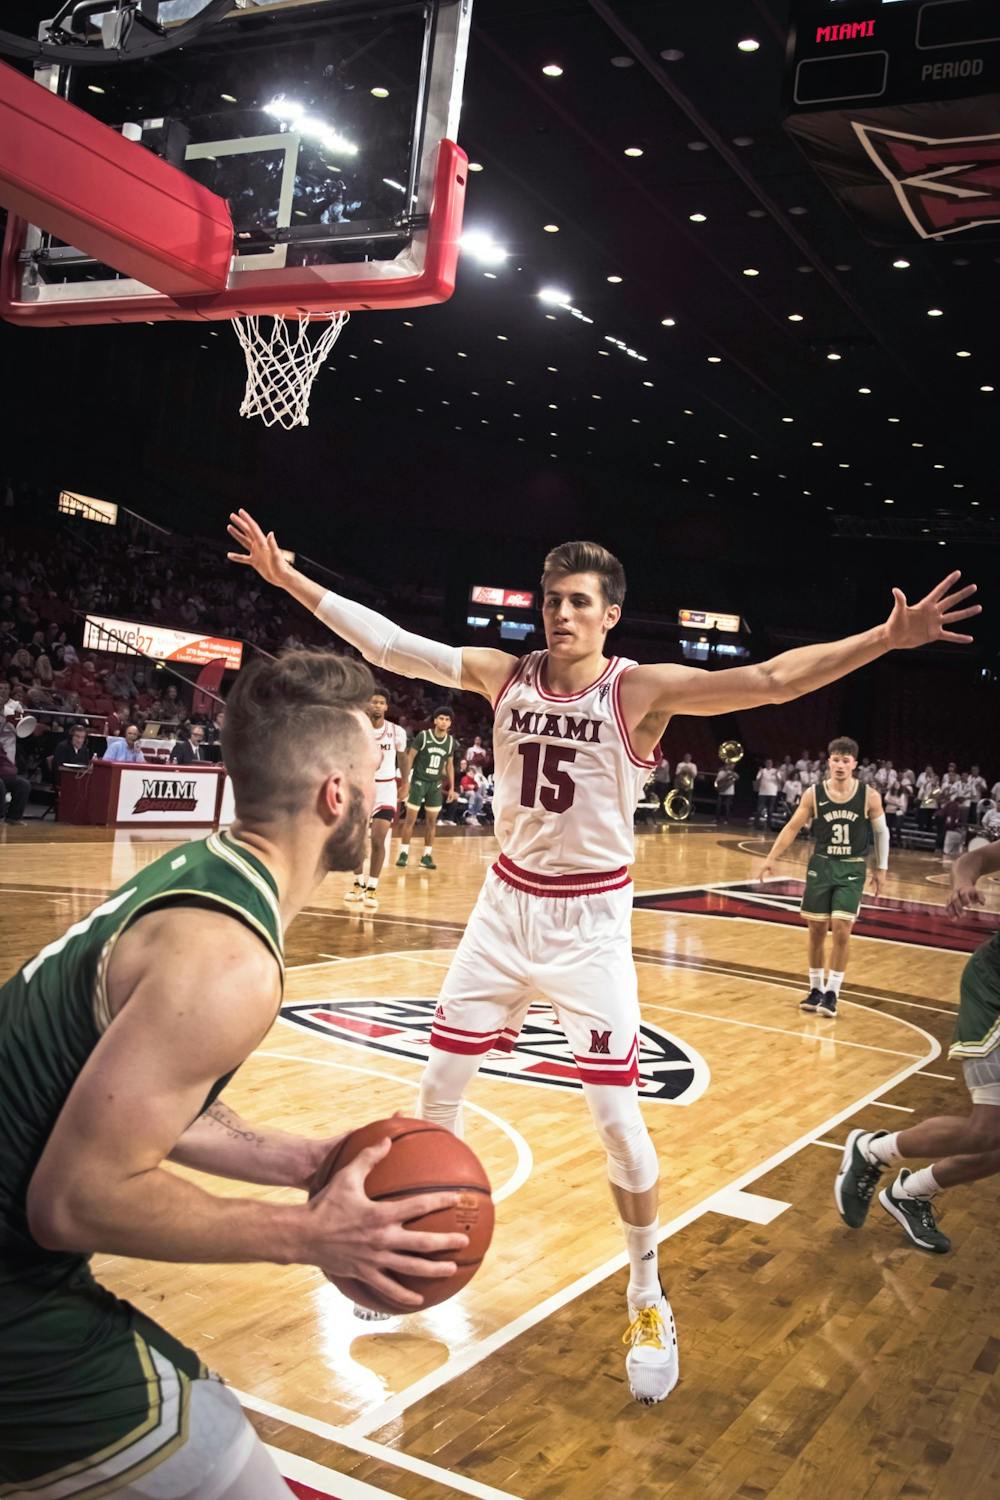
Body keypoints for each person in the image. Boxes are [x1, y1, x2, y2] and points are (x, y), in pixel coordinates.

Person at [228, 506, 979, 1407]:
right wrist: (290, 581)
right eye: (551, 600)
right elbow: (390, 644)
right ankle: (415, 1258)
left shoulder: (636, 693)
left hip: (589, 928)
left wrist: (884, 641)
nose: (560, 615)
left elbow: (775, 679)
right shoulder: (503, 674)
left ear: (610, 614)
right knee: (435, 1094)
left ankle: (646, 1291)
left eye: (578, 602)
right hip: (503, 911)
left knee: (619, 1126)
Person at [0, 649, 470, 1497]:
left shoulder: (202, 873)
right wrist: (309, 1234)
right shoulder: (230, 962)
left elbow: (127, 1101)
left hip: (23, 1272)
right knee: (230, 1472)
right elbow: (72, 1200)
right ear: (338, 796)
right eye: (373, 773)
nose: (380, 791)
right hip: (12, 1292)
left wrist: (298, 1160)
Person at [834, 837, 1000, 1253]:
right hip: (995, 988)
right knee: (986, 1131)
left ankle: (912, 1193)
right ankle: (873, 1150)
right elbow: (976, 857)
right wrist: (962, 882)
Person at [759, 737, 890, 1019]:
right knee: (816, 931)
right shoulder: (813, 794)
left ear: (855, 764)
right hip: (821, 866)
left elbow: (881, 833)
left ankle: (833, 992)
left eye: (846, 760)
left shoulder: (869, 795)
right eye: (836, 759)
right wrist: (771, 858)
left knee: (842, 928)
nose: (840, 765)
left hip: (852, 867)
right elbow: (792, 827)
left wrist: (881, 869)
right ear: (828, 762)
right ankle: (815, 988)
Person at [344, 685, 407, 913]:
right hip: (362, 788)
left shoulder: (396, 731)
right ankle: (358, 881)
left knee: (379, 839)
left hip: (386, 789)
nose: (377, 706)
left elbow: (403, 757)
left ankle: (372, 887)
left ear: (386, 707)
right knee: (357, 840)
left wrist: (406, 783)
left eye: (381, 702)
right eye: (374, 702)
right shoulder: (358, 730)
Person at [396, 708, 456, 870]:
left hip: (435, 785)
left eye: (447, 719)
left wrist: (452, 788)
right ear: (435, 720)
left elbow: (449, 765)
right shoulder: (423, 736)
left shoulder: (450, 742)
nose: (444, 721)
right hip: (418, 782)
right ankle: (403, 853)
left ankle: (426, 856)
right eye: (441, 718)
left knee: (432, 822)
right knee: (410, 820)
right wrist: (405, 782)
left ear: (450, 723)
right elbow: (410, 757)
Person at [753, 759, 780, 829]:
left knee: (770, 810)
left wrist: (777, 774)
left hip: (772, 793)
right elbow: (757, 780)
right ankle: (756, 824)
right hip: (762, 793)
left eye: (770, 763)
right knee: (759, 809)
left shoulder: (775, 771)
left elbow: (780, 781)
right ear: (765, 763)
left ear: (772, 764)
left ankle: (769, 826)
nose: (769, 764)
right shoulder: (762, 770)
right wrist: (761, 774)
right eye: (767, 763)